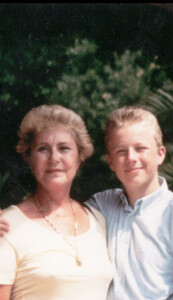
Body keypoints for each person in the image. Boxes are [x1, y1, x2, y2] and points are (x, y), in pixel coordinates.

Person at [87, 106, 173, 300]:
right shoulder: (101, 205)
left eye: (140, 148)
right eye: (121, 151)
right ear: (110, 162)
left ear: (160, 154)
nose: (131, 158)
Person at [0, 104, 113, 300]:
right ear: (29, 158)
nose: (54, 158)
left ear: (80, 159)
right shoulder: (7, 226)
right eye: (43, 148)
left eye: (64, 148)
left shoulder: (98, 220)